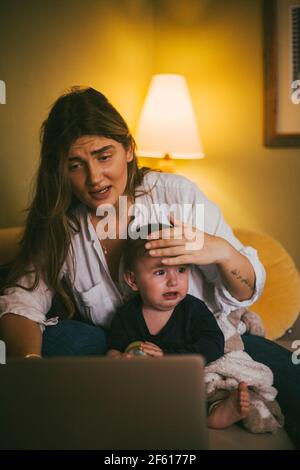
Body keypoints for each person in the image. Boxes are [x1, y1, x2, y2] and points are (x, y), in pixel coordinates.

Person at [0, 87, 298, 445]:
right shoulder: (61, 226)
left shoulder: (176, 195)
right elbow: (22, 301)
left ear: (127, 149)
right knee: (67, 336)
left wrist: (220, 251)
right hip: (125, 354)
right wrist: (31, 371)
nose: (95, 178)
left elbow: (247, 290)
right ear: (60, 170)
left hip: (211, 343)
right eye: (76, 165)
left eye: (103, 155)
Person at [106, 225, 250, 429]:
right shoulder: (127, 314)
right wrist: (119, 359)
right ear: (133, 280)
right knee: (120, 389)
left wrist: (167, 358)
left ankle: (218, 411)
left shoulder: (193, 310)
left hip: (185, 378)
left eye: (181, 269)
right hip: (146, 383)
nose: (173, 281)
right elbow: (114, 347)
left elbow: (213, 345)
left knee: (206, 385)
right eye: (160, 272)